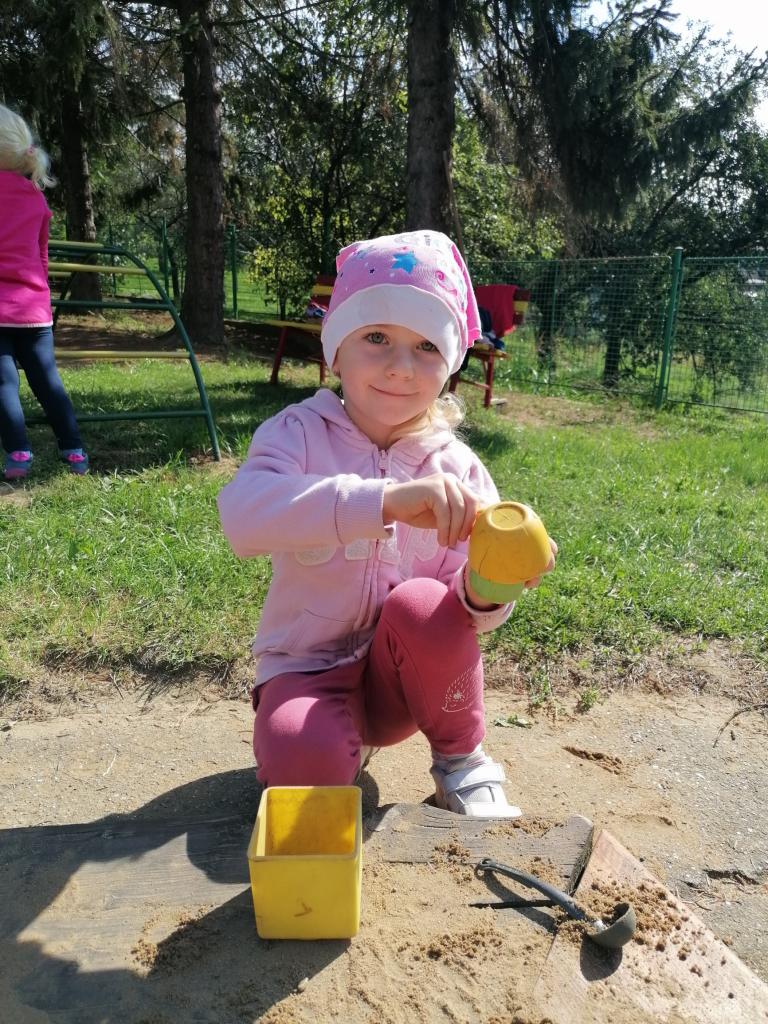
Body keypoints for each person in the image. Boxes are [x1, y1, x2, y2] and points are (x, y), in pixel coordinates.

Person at [218, 230, 556, 817]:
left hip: (403, 684)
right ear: (335, 350)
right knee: (301, 765)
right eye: (376, 337)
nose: (401, 368)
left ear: (449, 366)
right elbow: (243, 517)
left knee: (423, 604)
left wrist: (494, 580)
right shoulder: (296, 433)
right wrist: (385, 502)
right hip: (306, 670)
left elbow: (466, 615)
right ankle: (331, 741)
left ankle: (461, 760)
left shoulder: (457, 468)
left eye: (426, 346)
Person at [0, 104, 88, 481]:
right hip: (34, 310)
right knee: (48, 382)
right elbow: (41, 256)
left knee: (4, 383)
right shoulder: (35, 196)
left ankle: (19, 452)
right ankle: (74, 450)